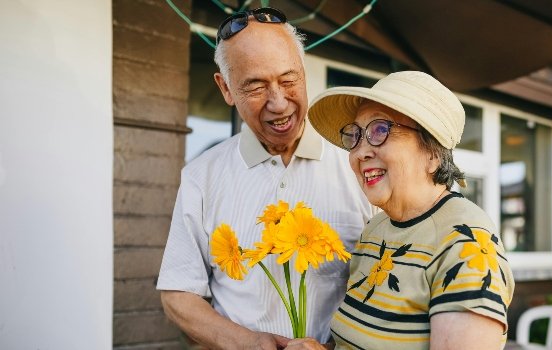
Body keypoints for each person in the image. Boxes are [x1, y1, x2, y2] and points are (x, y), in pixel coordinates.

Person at [157, 7, 374, 350]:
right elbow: (177, 293)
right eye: (255, 87)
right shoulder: (202, 176)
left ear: (303, 73)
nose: (278, 103)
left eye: (289, 80)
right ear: (226, 88)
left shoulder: (359, 163)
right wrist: (247, 343)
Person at [307, 71, 515, 349]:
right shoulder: (375, 230)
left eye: (380, 130)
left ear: (433, 154)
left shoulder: (467, 245)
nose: (360, 152)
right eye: (355, 135)